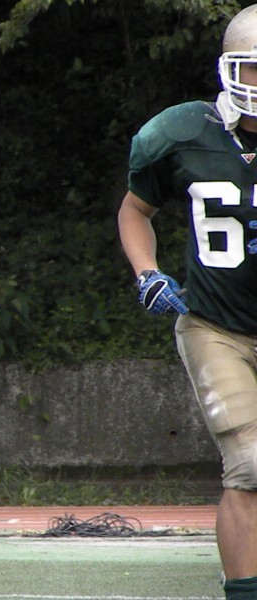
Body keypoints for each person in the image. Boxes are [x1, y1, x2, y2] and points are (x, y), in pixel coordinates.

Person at [117, 5, 257, 598]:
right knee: (250, 464)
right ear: (229, 70)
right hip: (215, 325)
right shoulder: (183, 132)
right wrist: (147, 272)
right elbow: (135, 210)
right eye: (255, 68)